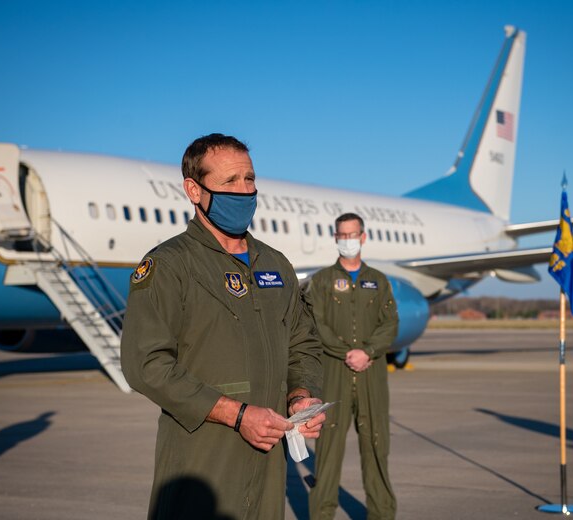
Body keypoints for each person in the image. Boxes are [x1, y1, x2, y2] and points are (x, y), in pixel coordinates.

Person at [121, 133, 326, 520]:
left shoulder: (276, 264)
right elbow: (145, 364)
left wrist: (301, 395)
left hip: (268, 459)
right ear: (193, 190)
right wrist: (236, 414)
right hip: (202, 457)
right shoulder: (169, 265)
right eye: (230, 182)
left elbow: (303, 343)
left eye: (249, 179)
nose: (244, 191)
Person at [306, 213, 399, 520]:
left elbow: (390, 324)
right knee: (328, 451)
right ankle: (321, 514)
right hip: (335, 372)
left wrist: (368, 351)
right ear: (336, 238)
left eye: (352, 234)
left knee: (376, 447)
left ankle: (382, 514)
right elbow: (316, 324)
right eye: (341, 234)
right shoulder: (321, 282)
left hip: (371, 374)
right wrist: (348, 353)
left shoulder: (379, 281)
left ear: (363, 237)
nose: (347, 240)